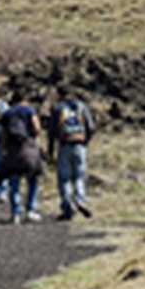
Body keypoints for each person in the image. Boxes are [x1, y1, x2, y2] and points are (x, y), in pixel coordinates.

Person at [49, 85, 96, 220]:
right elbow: (91, 127)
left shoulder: (58, 108)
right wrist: (85, 142)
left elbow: (52, 131)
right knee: (79, 176)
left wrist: (51, 150)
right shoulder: (82, 107)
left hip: (64, 145)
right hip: (80, 145)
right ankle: (80, 200)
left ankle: (67, 206)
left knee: (64, 178)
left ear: (59, 94)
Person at [0, 90, 45, 224]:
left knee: (14, 183)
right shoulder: (30, 111)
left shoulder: (7, 113)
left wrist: (2, 150)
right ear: (25, 99)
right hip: (28, 149)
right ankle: (30, 209)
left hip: (12, 151)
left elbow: (3, 135)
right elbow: (37, 128)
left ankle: (15, 213)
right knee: (33, 181)